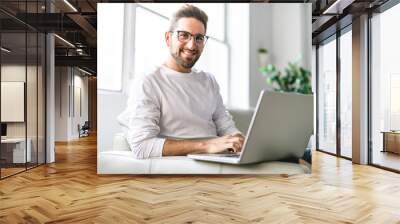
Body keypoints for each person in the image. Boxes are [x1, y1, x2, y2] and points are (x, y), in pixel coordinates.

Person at [118, 4, 244, 159]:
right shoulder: (149, 81)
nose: (192, 45)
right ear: (168, 38)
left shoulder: (209, 80)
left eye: (199, 38)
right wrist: (208, 145)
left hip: (219, 160)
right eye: (184, 35)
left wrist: (239, 139)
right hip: (183, 164)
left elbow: (225, 125)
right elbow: (142, 146)